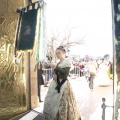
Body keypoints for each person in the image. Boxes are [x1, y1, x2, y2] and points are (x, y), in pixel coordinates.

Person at [43, 46, 81, 120]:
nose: (57, 54)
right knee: (50, 101)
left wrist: (55, 67)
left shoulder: (68, 61)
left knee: (62, 103)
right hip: (55, 83)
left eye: (59, 53)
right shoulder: (58, 62)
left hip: (63, 84)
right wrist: (54, 72)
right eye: (56, 53)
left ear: (64, 52)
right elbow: (57, 72)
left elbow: (65, 73)